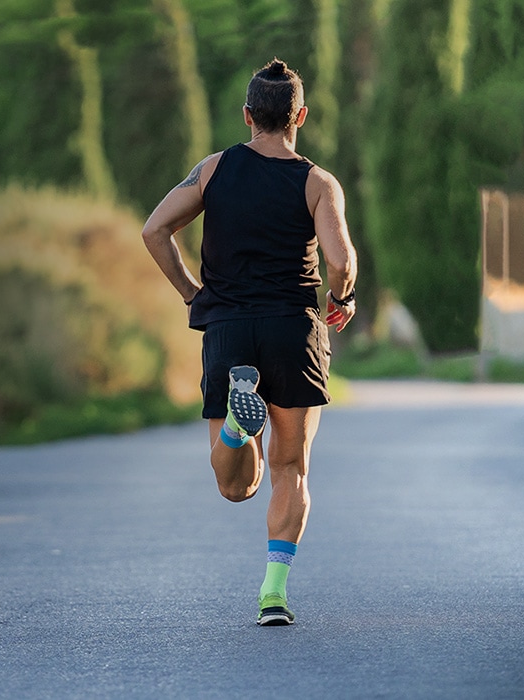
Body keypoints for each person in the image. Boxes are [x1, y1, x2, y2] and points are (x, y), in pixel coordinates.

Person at [140, 58, 357, 627]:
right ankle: (273, 594)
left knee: (235, 485)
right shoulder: (316, 181)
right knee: (290, 469)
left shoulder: (213, 171)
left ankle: (240, 427)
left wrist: (194, 293)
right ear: (299, 117)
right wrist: (344, 297)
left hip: (229, 329)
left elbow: (154, 229)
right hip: (293, 329)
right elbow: (340, 261)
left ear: (247, 116)